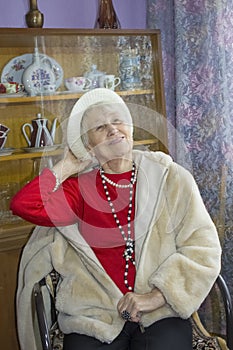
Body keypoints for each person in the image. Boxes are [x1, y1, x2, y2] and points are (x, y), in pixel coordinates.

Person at [11, 88, 222, 350]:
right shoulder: (79, 190)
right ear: (88, 145)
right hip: (94, 315)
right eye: (100, 127)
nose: (113, 129)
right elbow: (23, 204)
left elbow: (203, 247)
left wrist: (157, 296)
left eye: (118, 120)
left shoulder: (170, 178)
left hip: (159, 312)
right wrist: (67, 167)